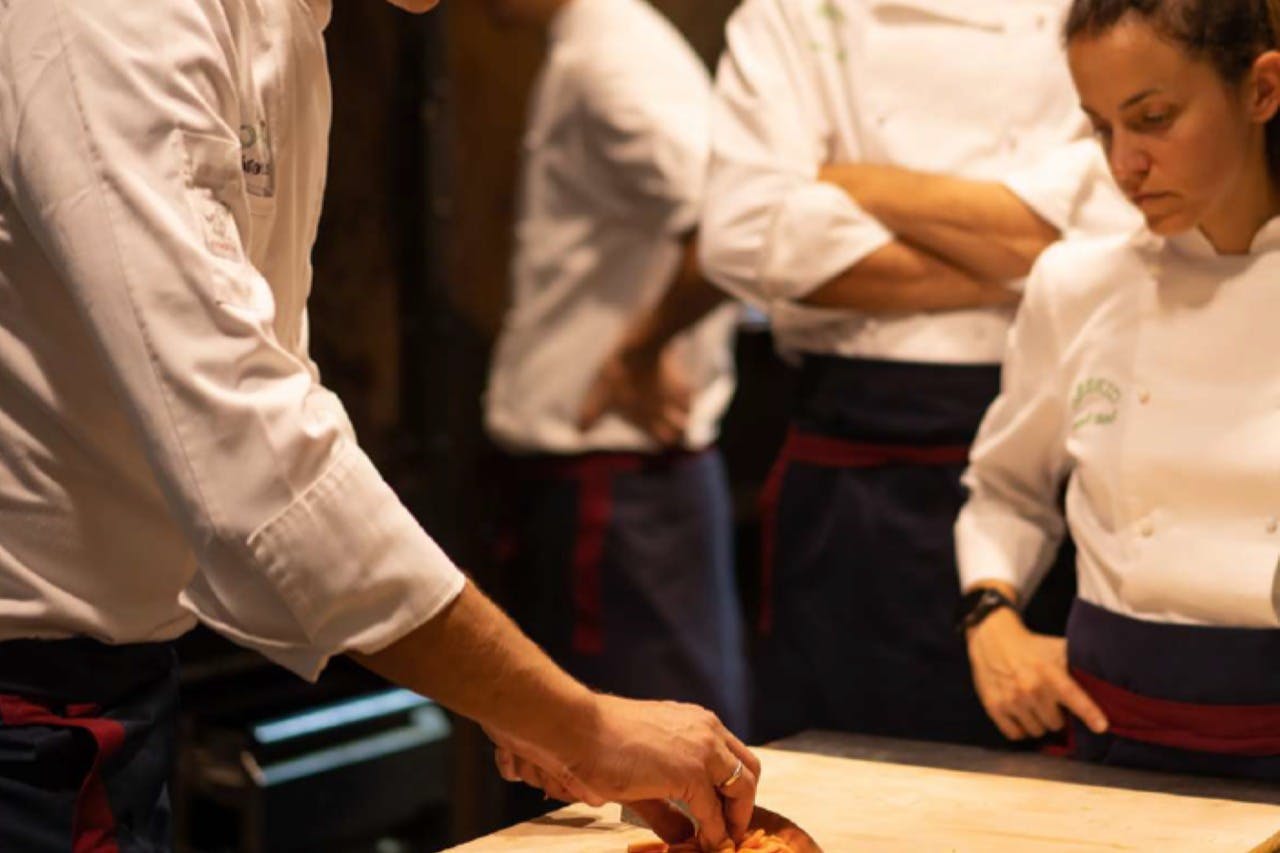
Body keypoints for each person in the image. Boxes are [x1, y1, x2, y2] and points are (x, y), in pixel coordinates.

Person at [0, 0, 758, 849]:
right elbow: (247, 449)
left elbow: (268, 399)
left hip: (117, 690)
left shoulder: (290, 28)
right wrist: (579, 723)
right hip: (27, 709)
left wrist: (512, 698)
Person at [698, 0, 1138, 745]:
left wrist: (856, 185)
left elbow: (1127, 210)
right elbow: (741, 234)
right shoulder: (788, 14)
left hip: (1064, 449)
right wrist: (1034, 254)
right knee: (850, 778)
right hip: (853, 478)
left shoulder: (1089, 10)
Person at [957, 0, 1280, 780]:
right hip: (1116, 738)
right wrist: (989, 613)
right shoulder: (1077, 285)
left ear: (1262, 91)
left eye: (1155, 118)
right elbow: (1004, 490)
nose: (1125, 162)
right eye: (1103, 129)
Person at [482, 0, 748, 735]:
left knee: (626, 782)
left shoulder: (612, 59)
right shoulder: (601, 43)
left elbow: (734, 222)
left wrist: (643, 346)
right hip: (607, 484)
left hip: (618, 491)